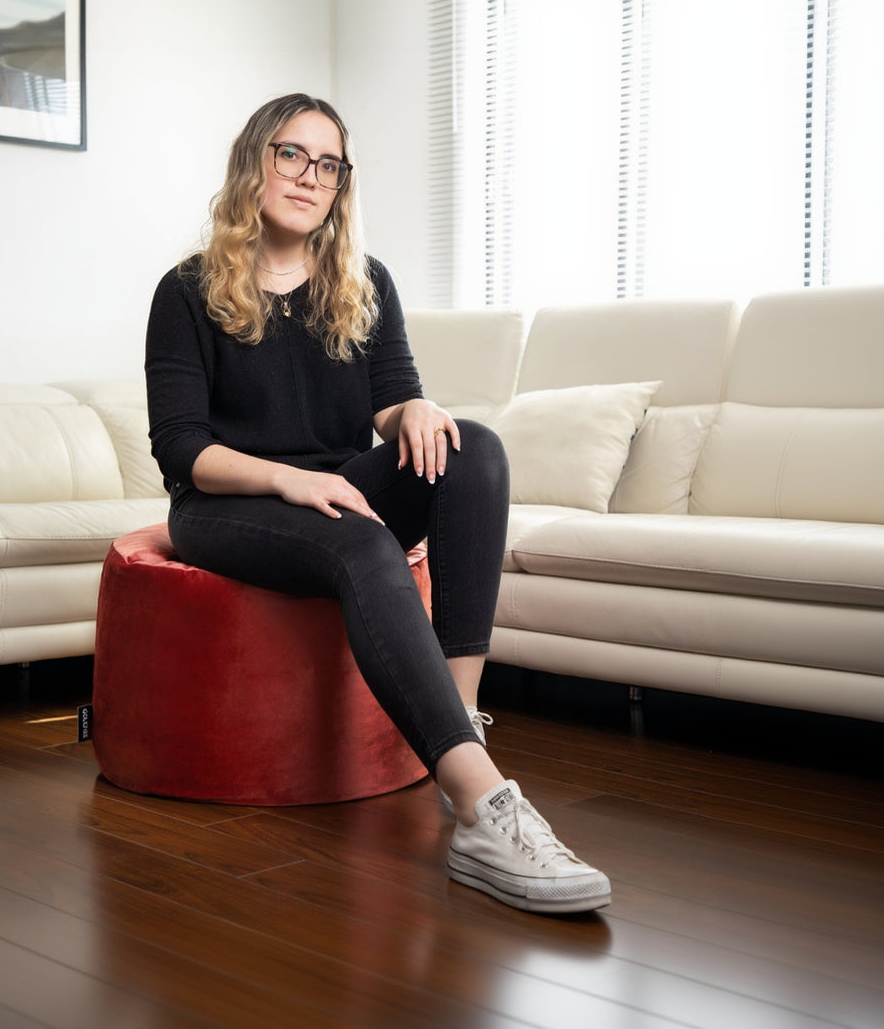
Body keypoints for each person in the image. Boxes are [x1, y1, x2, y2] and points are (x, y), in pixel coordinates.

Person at [145, 92, 610, 915]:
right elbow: (182, 447)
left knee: (474, 449)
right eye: (291, 154)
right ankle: (481, 805)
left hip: (337, 490)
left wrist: (416, 411)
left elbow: (392, 400)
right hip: (227, 503)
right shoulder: (185, 290)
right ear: (254, 161)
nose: (309, 176)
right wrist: (286, 478)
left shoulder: (363, 283)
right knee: (361, 541)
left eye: (328, 164)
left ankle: (459, 718)